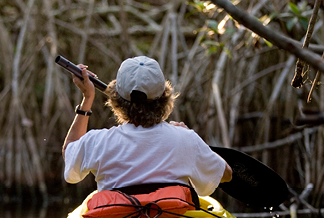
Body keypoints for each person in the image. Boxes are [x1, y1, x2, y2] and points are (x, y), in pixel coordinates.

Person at [62, 56, 232, 200]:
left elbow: (69, 154)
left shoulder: (98, 142)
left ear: (115, 98)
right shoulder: (186, 139)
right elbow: (226, 174)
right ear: (165, 97)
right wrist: (191, 139)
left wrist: (87, 98)